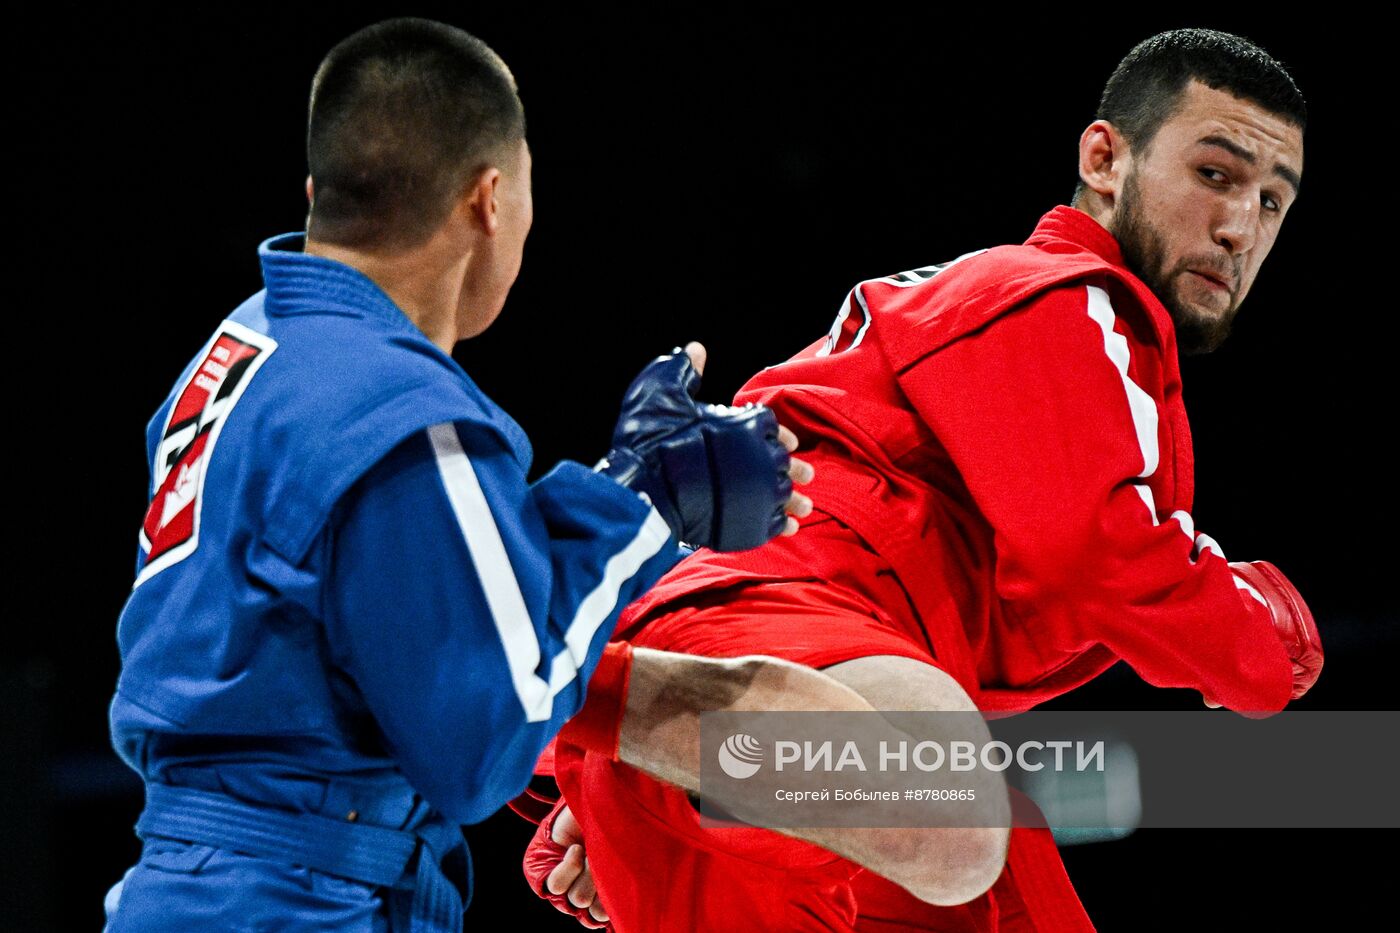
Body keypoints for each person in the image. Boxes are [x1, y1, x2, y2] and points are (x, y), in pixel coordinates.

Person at [520, 27, 1324, 932]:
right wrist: (1259, 636)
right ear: (1105, 158)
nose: (1239, 225)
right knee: (956, 818)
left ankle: (658, 766)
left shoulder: (990, 304)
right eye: (1215, 175)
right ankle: (557, 689)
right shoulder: (1059, 294)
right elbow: (1094, 555)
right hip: (784, 616)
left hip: (803, 692)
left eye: (1272, 202)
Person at [101, 18, 824, 933]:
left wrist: (616, 497)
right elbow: (484, 742)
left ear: (322, 191)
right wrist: (643, 498)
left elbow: (390, 599)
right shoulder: (401, 410)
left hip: (188, 884)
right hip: (300, 903)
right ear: (490, 199)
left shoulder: (241, 349)